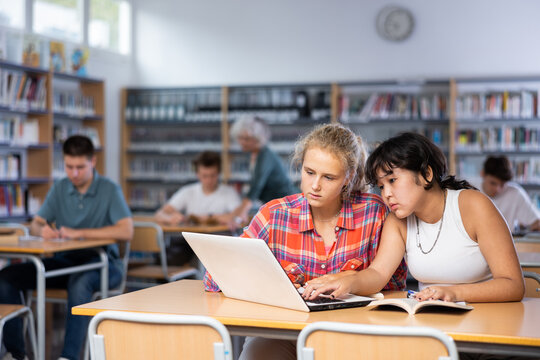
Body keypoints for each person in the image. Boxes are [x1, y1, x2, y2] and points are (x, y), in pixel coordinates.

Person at [204, 124, 407, 360]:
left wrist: (354, 283)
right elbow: (216, 277)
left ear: (348, 177)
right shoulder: (274, 215)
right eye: (309, 172)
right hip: (281, 332)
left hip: (354, 329)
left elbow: (394, 287)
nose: (315, 186)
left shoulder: (374, 213)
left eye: (328, 177)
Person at [304, 132, 524, 306]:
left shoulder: (473, 205)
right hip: (435, 323)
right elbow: (378, 274)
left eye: (392, 180)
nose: (386, 194)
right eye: (381, 186)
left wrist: (454, 293)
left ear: (426, 174)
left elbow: (513, 285)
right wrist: (347, 281)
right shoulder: (398, 221)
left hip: (491, 320)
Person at [0, 135, 133, 360]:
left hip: (103, 264)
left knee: (79, 282)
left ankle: (69, 357)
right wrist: (41, 230)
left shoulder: (109, 189)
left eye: (80, 167)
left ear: (93, 162)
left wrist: (79, 233)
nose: (74, 173)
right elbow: (36, 222)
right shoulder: (61, 187)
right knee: (6, 277)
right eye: (69, 167)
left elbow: (126, 231)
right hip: (64, 261)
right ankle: (16, 354)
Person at [229, 116, 298, 225]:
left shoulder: (265, 156)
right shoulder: (253, 154)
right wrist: (236, 213)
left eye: (246, 139)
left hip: (289, 208)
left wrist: (239, 216)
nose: (241, 142)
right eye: (240, 138)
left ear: (257, 139)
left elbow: (256, 187)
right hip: (276, 207)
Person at [154, 150, 241, 226]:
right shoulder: (187, 191)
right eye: (205, 176)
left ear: (218, 173)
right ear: (197, 174)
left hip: (219, 239)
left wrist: (209, 217)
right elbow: (159, 214)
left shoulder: (229, 193)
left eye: (213, 175)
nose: (209, 180)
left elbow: (239, 216)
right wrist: (169, 218)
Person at [481, 155, 540, 232]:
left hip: (505, 242)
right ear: (482, 174)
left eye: (502, 184)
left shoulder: (515, 193)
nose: (498, 189)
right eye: (493, 183)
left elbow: (537, 222)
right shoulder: (469, 190)